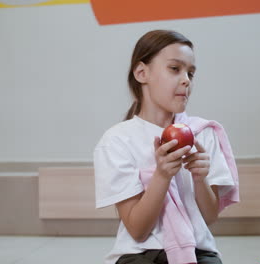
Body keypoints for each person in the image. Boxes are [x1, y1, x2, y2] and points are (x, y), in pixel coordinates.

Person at [94, 29, 239, 264]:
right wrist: (162, 176)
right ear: (142, 73)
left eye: (191, 73)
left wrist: (200, 178)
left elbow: (210, 217)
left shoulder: (203, 134)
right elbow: (138, 230)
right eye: (175, 69)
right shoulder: (117, 140)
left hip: (197, 252)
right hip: (137, 254)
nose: (186, 80)